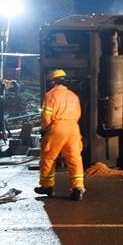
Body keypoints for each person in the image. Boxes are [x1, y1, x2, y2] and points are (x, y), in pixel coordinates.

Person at [35, 69, 85, 201]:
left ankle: (47, 186)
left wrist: (45, 129)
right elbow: (79, 114)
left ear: (52, 81)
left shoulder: (50, 95)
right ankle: (78, 188)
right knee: (74, 158)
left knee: (48, 158)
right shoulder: (74, 96)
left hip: (57, 127)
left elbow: (46, 116)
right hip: (73, 128)